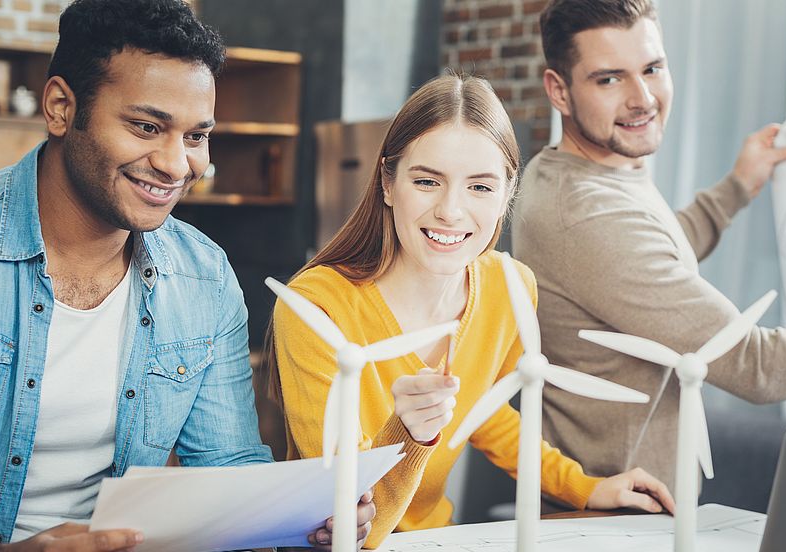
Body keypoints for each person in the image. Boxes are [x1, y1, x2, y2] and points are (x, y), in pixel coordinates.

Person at [0, 1, 372, 549]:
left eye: (195, 136)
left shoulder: (204, 277)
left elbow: (226, 466)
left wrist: (302, 519)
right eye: (146, 127)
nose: (176, 164)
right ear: (61, 108)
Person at [512, 0, 786, 494]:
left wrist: (737, 188)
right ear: (559, 90)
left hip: (634, 513)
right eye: (609, 79)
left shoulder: (577, 173)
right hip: (611, 523)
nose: (643, 98)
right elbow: (756, 364)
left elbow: (650, 254)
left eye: (653, 68)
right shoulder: (586, 213)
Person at [270, 74, 676, 550]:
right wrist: (409, 432)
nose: (451, 211)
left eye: (480, 187)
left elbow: (484, 412)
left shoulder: (511, 288)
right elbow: (350, 521)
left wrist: (585, 487)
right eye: (426, 181)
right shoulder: (315, 307)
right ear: (387, 183)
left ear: (508, 192)